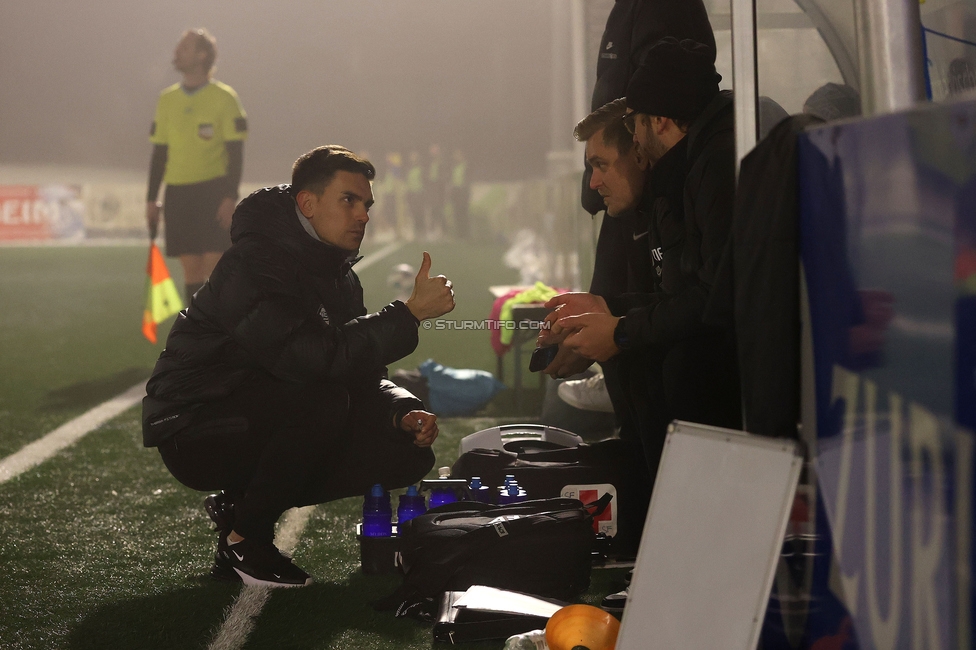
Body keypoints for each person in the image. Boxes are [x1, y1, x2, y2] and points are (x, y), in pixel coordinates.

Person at [142, 146, 456, 587]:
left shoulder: (337, 273)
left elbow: (359, 372)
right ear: (307, 203)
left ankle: (239, 509)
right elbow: (311, 359)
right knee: (323, 399)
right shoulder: (255, 262)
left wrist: (399, 410)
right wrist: (408, 315)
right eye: (349, 200)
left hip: (256, 408)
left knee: (403, 449)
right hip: (193, 423)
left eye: (366, 204)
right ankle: (246, 540)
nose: (363, 215)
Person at [542, 38, 741, 483]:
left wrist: (620, 329)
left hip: (748, 365)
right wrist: (607, 309)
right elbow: (684, 295)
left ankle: (668, 501)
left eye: (635, 124)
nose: (592, 184)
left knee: (673, 365)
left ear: (659, 121)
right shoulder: (685, 173)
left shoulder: (713, 165)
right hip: (727, 349)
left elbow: (714, 297)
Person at [541, 99, 652, 428]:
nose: (592, 183)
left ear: (638, 152)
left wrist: (618, 334)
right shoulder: (630, 214)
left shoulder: (676, 209)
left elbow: (701, 309)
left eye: (601, 165)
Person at [145, 28, 248, 302]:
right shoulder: (167, 99)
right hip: (178, 193)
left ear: (202, 55)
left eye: (184, 48)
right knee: (191, 272)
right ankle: (197, 327)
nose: (176, 52)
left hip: (213, 192)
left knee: (215, 268)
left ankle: (220, 325)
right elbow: (159, 153)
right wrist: (151, 199)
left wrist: (230, 196)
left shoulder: (225, 98)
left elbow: (236, 153)